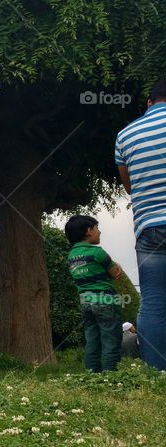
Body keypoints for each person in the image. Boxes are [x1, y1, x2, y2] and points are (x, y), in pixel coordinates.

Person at [116, 79, 166, 370]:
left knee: (153, 301)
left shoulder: (126, 134)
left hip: (148, 228)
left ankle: (157, 371)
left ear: (149, 102)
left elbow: (130, 187)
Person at [65, 215, 125, 372]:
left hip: (86, 302)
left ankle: (92, 375)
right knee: (111, 341)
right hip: (105, 301)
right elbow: (115, 273)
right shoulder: (97, 252)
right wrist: (117, 265)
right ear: (88, 231)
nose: (100, 232)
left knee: (92, 342)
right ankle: (111, 377)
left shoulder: (71, 256)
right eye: (97, 228)